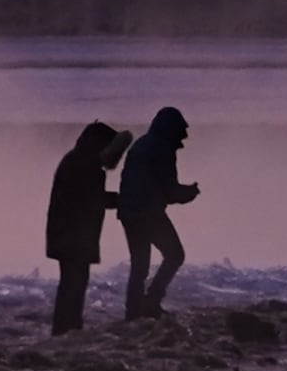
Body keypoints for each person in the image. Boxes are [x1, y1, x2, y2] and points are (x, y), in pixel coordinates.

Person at [118, 105, 200, 322]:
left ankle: (133, 311)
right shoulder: (163, 149)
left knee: (139, 264)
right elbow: (169, 190)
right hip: (148, 214)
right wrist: (189, 193)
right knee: (175, 255)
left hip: (129, 213)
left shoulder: (141, 144)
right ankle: (151, 302)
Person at [44, 121, 126, 335]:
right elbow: (93, 200)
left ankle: (66, 327)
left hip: (67, 235)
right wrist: (126, 199)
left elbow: (90, 199)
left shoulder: (77, 161)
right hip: (73, 238)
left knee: (72, 284)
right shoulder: (85, 166)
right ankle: (66, 328)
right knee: (74, 285)